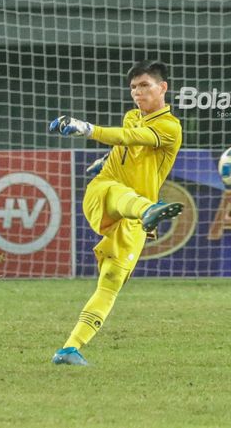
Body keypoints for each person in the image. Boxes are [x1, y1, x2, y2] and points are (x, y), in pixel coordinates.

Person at [49, 60, 183, 365]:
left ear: (162, 88)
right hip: (105, 193)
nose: (137, 92)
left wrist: (87, 129)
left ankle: (71, 348)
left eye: (144, 85)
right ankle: (150, 209)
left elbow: (132, 139)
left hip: (135, 221)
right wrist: (105, 159)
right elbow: (125, 142)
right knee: (119, 192)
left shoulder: (169, 127)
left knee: (111, 281)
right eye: (133, 87)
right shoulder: (133, 117)